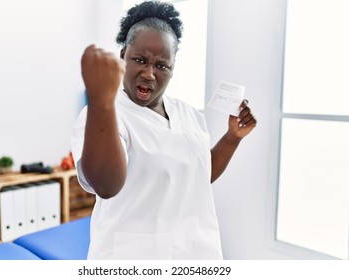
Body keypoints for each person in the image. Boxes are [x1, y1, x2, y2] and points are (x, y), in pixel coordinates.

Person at [71, 0, 256, 260]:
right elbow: (106, 185)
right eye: (140, 60)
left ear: (172, 69)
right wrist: (100, 97)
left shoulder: (190, 115)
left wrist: (232, 138)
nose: (149, 73)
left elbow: (199, 174)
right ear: (123, 56)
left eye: (162, 65)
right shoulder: (103, 115)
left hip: (196, 254)